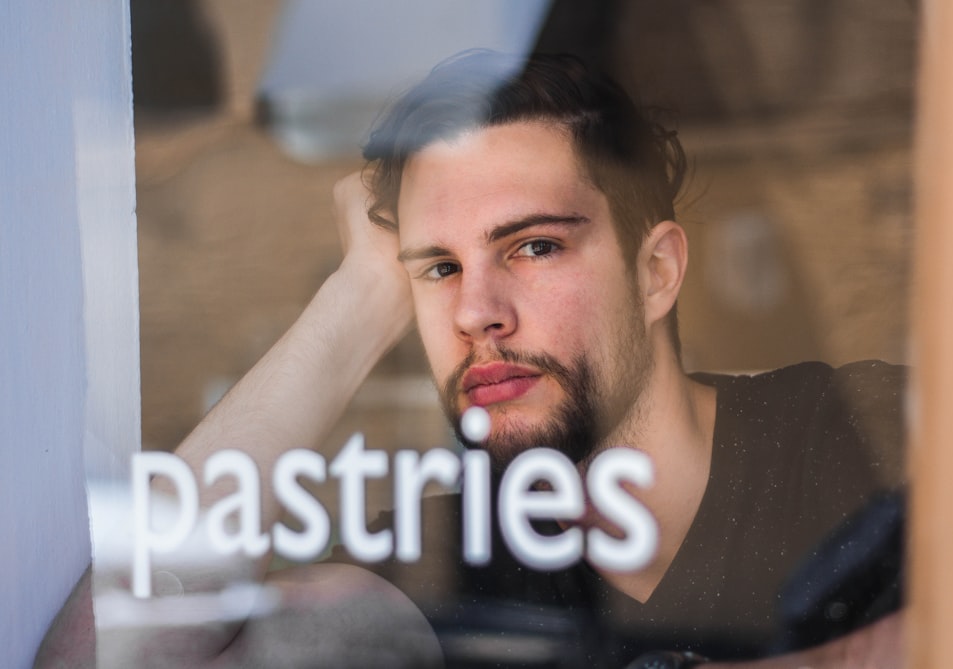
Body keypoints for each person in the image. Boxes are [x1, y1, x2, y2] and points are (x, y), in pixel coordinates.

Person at [36, 51, 905, 668]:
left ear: (656, 272)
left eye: (532, 248)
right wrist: (359, 297)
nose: (475, 313)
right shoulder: (435, 562)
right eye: (440, 268)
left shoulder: (857, 435)